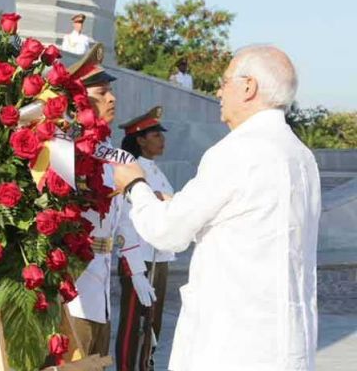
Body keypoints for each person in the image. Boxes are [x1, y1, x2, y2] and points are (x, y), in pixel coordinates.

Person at [113, 45, 321, 370]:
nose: (218, 91)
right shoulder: (301, 156)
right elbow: (249, 229)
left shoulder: (236, 151)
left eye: (225, 82)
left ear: (249, 86)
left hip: (234, 343)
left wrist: (135, 186)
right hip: (286, 343)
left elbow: (167, 233)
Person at [64, 43, 150, 358]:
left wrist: (137, 269)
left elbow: (123, 215)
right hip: (74, 289)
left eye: (110, 92)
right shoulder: (67, 151)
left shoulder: (112, 152)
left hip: (101, 283)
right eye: (101, 93)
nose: (112, 98)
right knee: (77, 360)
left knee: (98, 360)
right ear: (79, 102)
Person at [115, 106, 175, 371]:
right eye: (156, 135)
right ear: (140, 138)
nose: (162, 140)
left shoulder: (154, 170)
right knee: (134, 324)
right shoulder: (131, 168)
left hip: (158, 255)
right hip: (139, 255)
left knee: (152, 324)